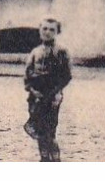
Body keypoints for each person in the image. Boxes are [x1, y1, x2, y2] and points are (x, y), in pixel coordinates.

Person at [23, 17, 72, 162]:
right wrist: (32, 90)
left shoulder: (61, 51)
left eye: (52, 29)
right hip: (36, 96)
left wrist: (57, 93)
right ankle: (44, 158)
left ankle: (56, 160)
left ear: (57, 32)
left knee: (50, 131)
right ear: (39, 30)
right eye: (44, 29)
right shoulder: (35, 52)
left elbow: (66, 75)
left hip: (52, 96)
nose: (47, 32)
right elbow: (27, 74)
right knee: (39, 130)